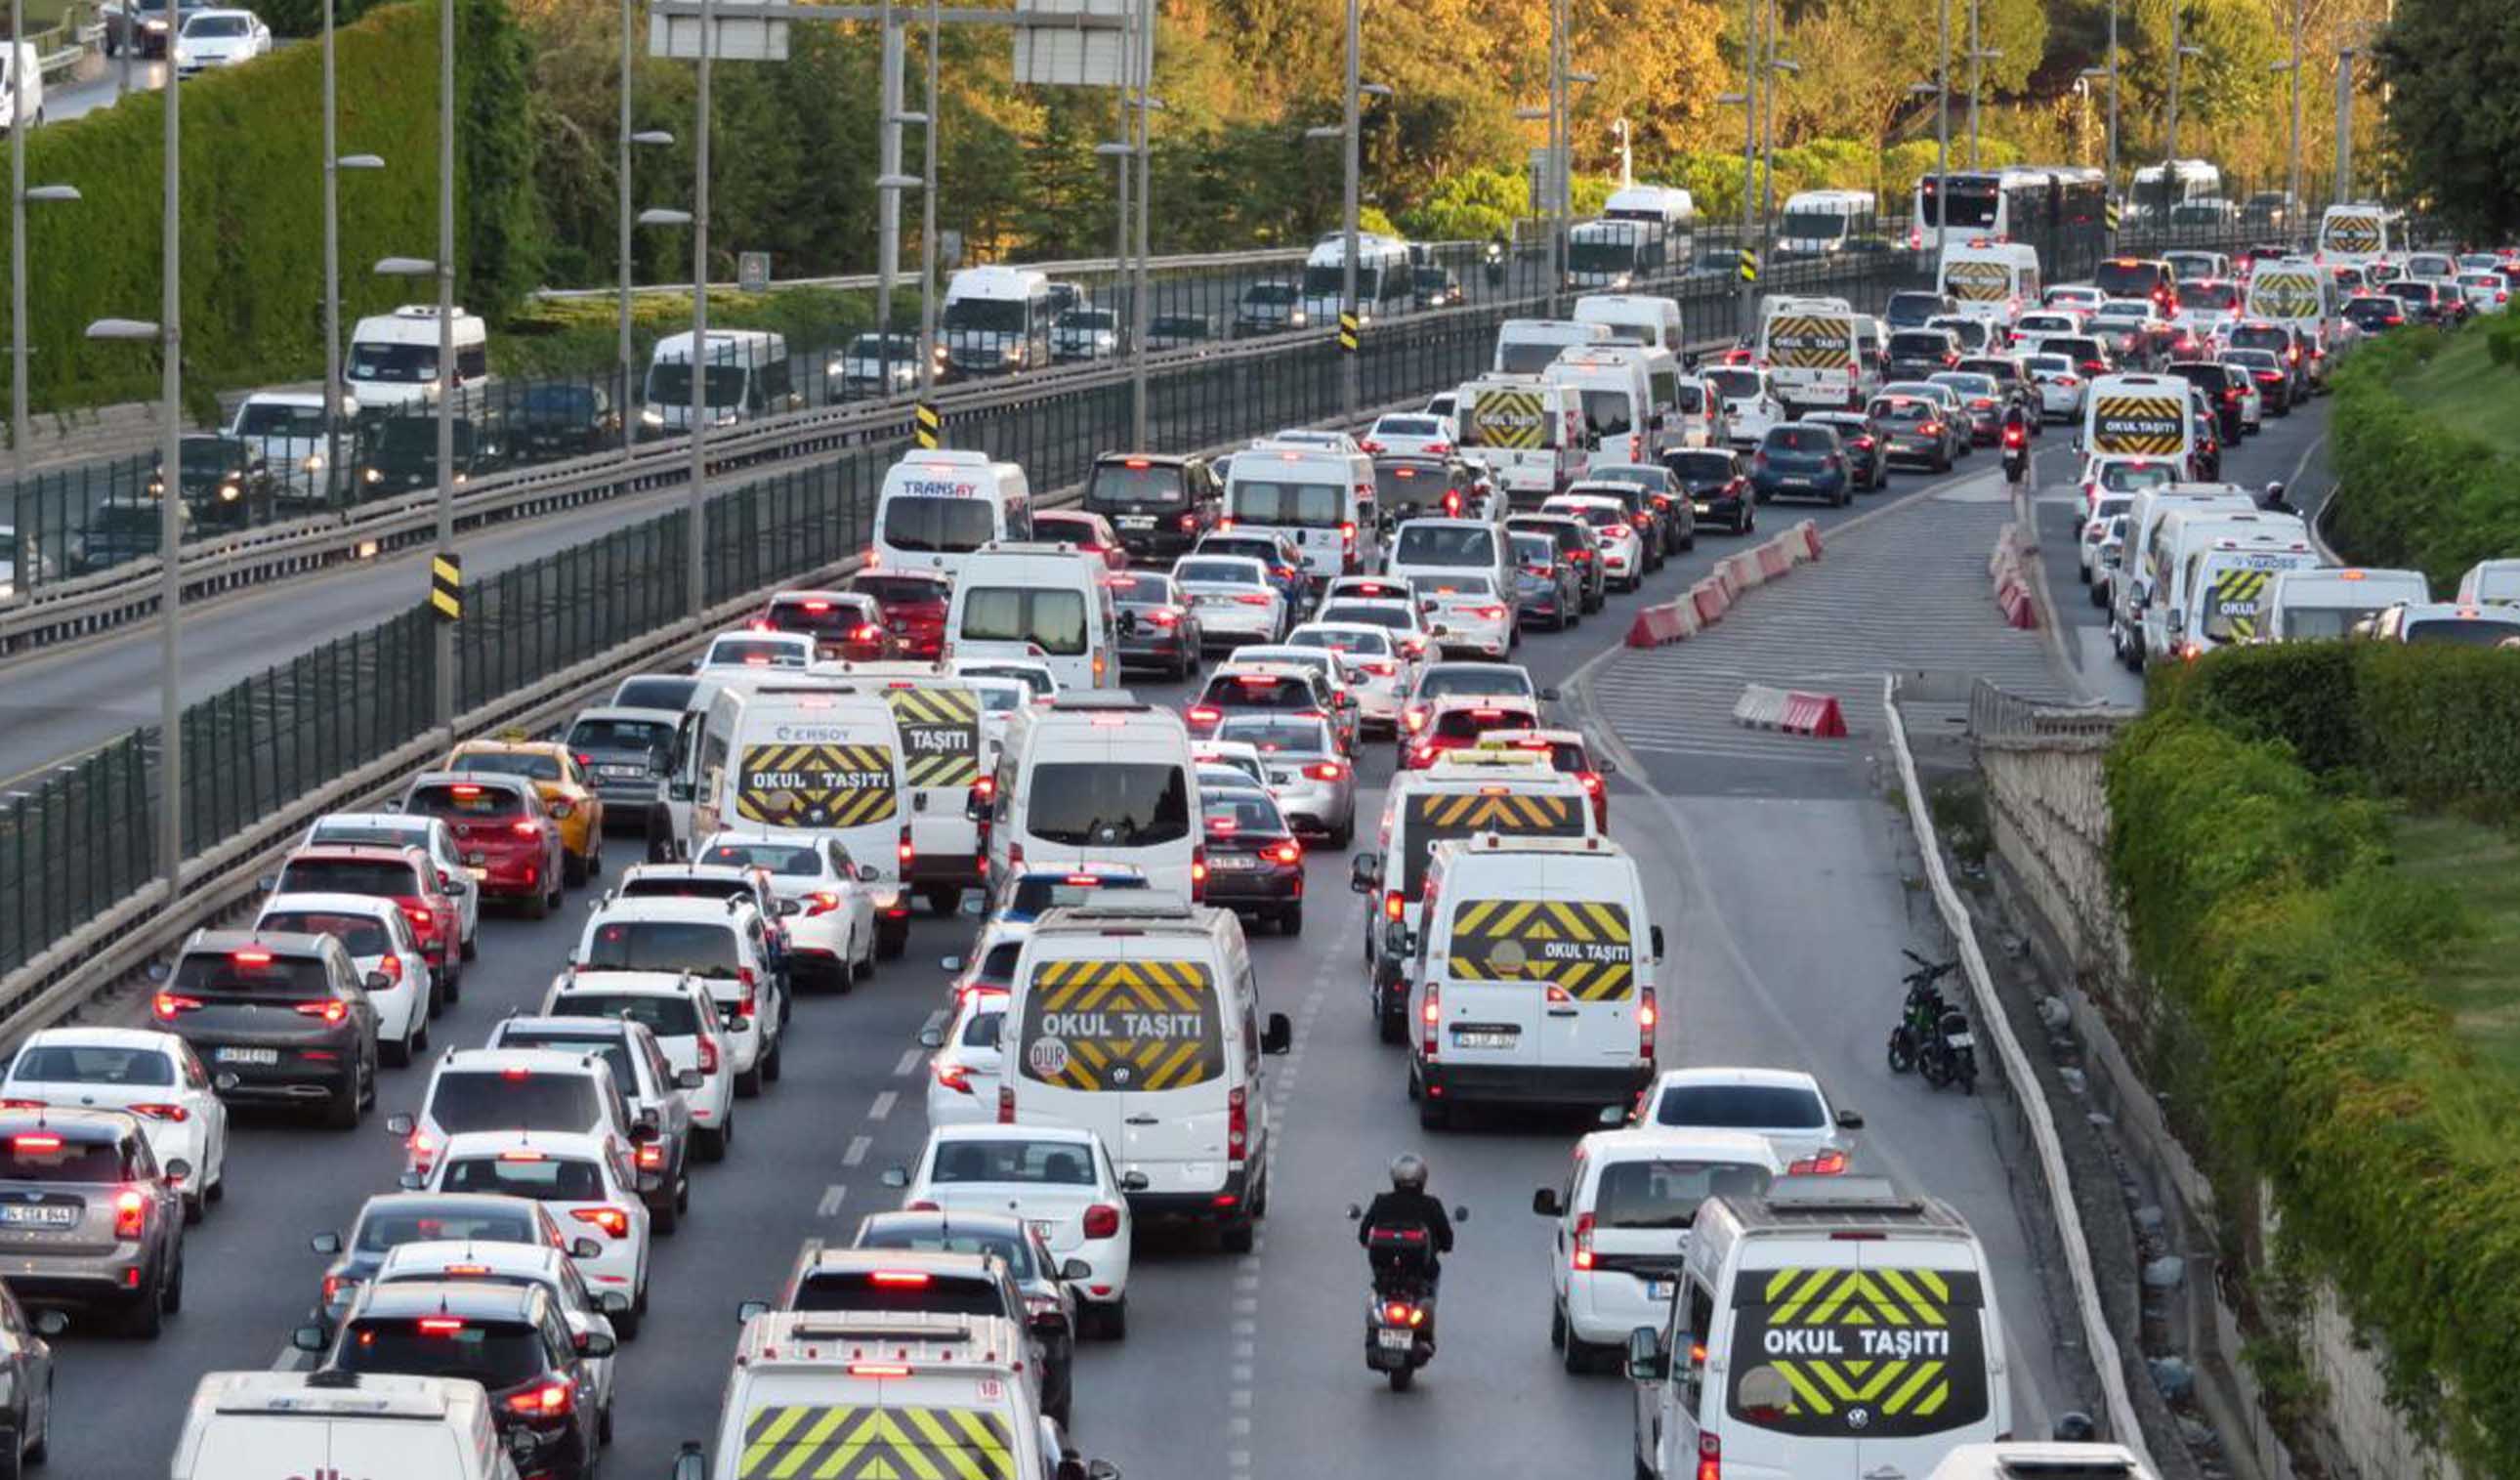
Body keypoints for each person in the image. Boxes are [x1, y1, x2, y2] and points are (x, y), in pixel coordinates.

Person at [1357, 1153, 1453, 1348]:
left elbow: (1363, 1235)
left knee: (1377, 1290)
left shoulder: (1381, 1201)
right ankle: (1426, 1333)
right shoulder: (1431, 1205)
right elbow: (1448, 1242)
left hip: (1385, 1276)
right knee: (1432, 1282)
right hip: (1421, 1276)